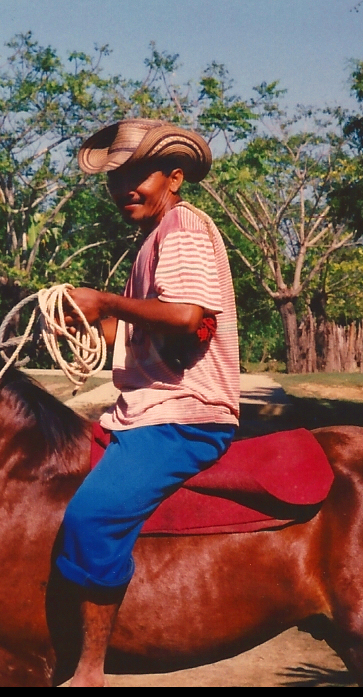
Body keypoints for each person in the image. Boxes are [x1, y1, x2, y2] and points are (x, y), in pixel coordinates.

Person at [57, 118, 240, 686]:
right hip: (144, 409)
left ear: (174, 178)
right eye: (116, 180)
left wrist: (106, 300)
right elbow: (140, 338)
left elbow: (190, 319)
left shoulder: (182, 230)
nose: (125, 189)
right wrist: (84, 324)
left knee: (91, 516)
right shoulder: (152, 243)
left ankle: (89, 670)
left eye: (139, 175)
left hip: (186, 414)